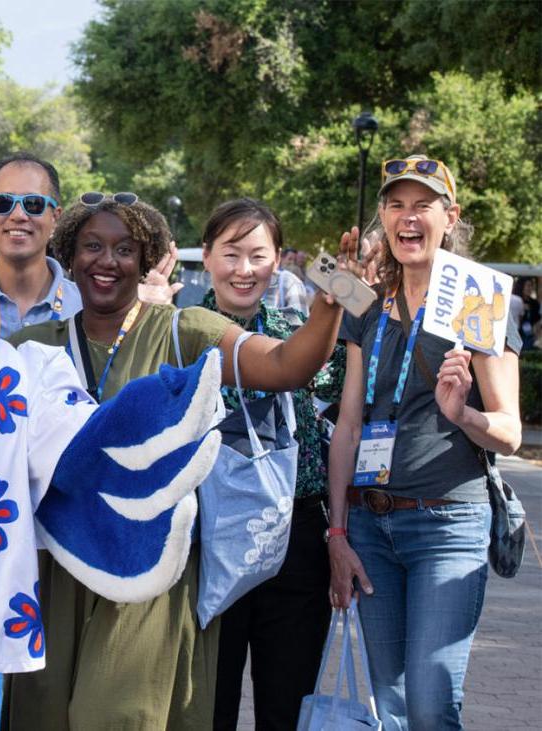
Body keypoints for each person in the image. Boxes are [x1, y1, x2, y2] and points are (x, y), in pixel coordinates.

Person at [6, 190, 354, 729]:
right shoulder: (30, 346)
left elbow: (287, 366)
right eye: (93, 246)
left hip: (150, 574)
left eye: (124, 250)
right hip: (55, 571)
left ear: (146, 260)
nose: (107, 261)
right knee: (44, 715)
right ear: (70, 255)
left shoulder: (182, 330)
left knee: (116, 714)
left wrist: (331, 302)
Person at [328, 155, 521, 730]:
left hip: (447, 526)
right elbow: (348, 427)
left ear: (449, 215)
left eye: (422, 206)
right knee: (387, 707)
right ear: (383, 219)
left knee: (431, 704)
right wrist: (337, 533)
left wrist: (462, 414)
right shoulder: (369, 305)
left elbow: (509, 432)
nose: (407, 218)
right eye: (395, 205)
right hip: (369, 526)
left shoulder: (480, 301)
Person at [198, 199, 338, 730]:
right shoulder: (174, 334)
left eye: (258, 255)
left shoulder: (300, 329)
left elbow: (356, 383)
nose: (244, 269)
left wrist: (348, 286)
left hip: (294, 537)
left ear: (278, 260)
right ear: (207, 256)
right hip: (208, 542)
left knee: (287, 704)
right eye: (230, 253)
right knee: (209, 705)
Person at [0, 153, 81, 337]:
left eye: (33, 204)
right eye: (3, 202)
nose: (18, 215)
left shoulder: (85, 309)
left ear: (55, 217)